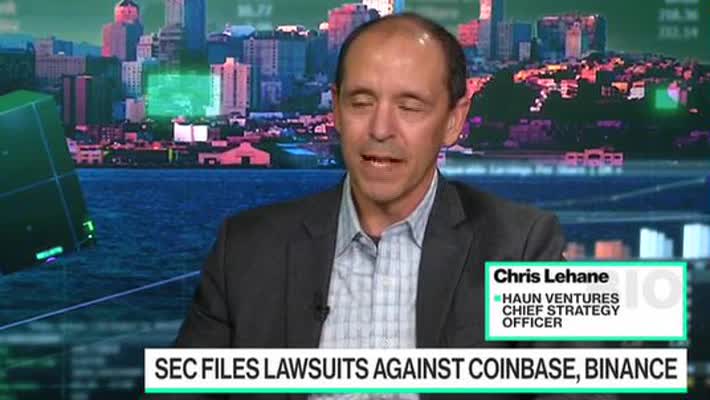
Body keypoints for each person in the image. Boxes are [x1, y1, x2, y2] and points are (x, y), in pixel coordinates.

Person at [153, 12, 566, 400]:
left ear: (453, 120)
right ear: (335, 109)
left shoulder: (525, 246)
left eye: (409, 107)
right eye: (361, 103)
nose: (381, 130)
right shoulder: (245, 248)